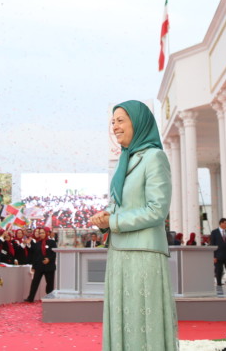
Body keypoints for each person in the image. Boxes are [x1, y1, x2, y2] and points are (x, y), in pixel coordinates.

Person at [91, 100, 178, 351]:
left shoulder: (155, 157)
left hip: (143, 255)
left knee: (143, 323)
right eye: (113, 122)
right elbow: (119, 205)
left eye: (120, 120)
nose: (114, 127)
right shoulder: (125, 160)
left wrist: (114, 221)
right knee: (121, 320)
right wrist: (104, 217)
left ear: (138, 123)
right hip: (119, 253)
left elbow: (157, 210)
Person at [24, 227, 57, 302]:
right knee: (35, 282)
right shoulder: (37, 244)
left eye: (43, 233)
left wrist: (49, 259)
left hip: (49, 266)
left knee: (49, 283)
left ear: (46, 233)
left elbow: (54, 253)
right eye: (40, 233)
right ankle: (30, 298)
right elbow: (34, 255)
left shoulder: (52, 242)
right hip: (39, 266)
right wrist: (33, 266)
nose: (41, 234)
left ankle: (50, 298)